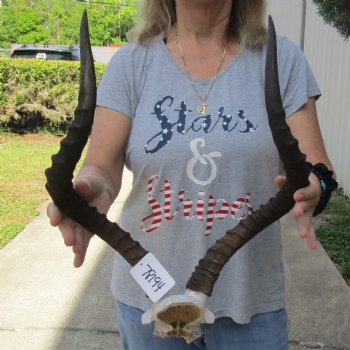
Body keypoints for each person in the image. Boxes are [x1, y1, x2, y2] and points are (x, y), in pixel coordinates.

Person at [47, 0, 337, 349]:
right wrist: (89, 189)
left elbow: (317, 169)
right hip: (148, 302)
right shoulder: (133, 62)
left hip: (250, 305)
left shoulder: (281, 59)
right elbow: (102, 167)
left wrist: (314, 185)